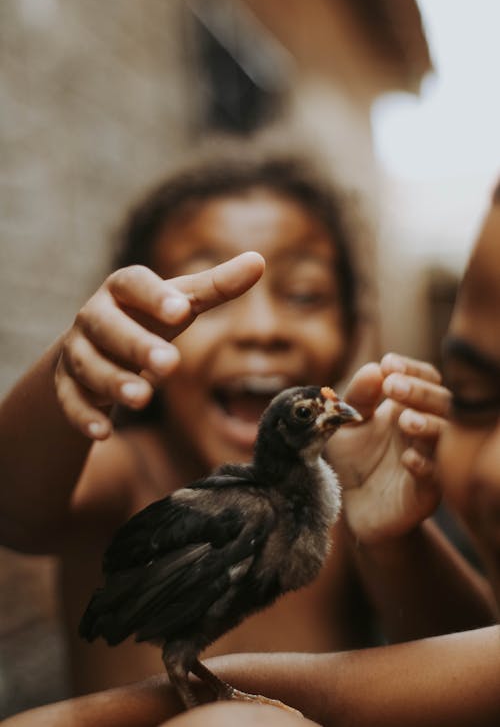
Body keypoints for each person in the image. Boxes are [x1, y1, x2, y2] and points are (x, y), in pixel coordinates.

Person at [0, 147, 493, 702]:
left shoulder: (340, 502)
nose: (262, 329)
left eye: (304, 294)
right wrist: (69, 368)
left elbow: (477, 688)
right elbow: (15, 508)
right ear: (140, 332)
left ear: (355, 330)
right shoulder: (122, 470)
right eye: (205, 303)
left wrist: (395, 539)